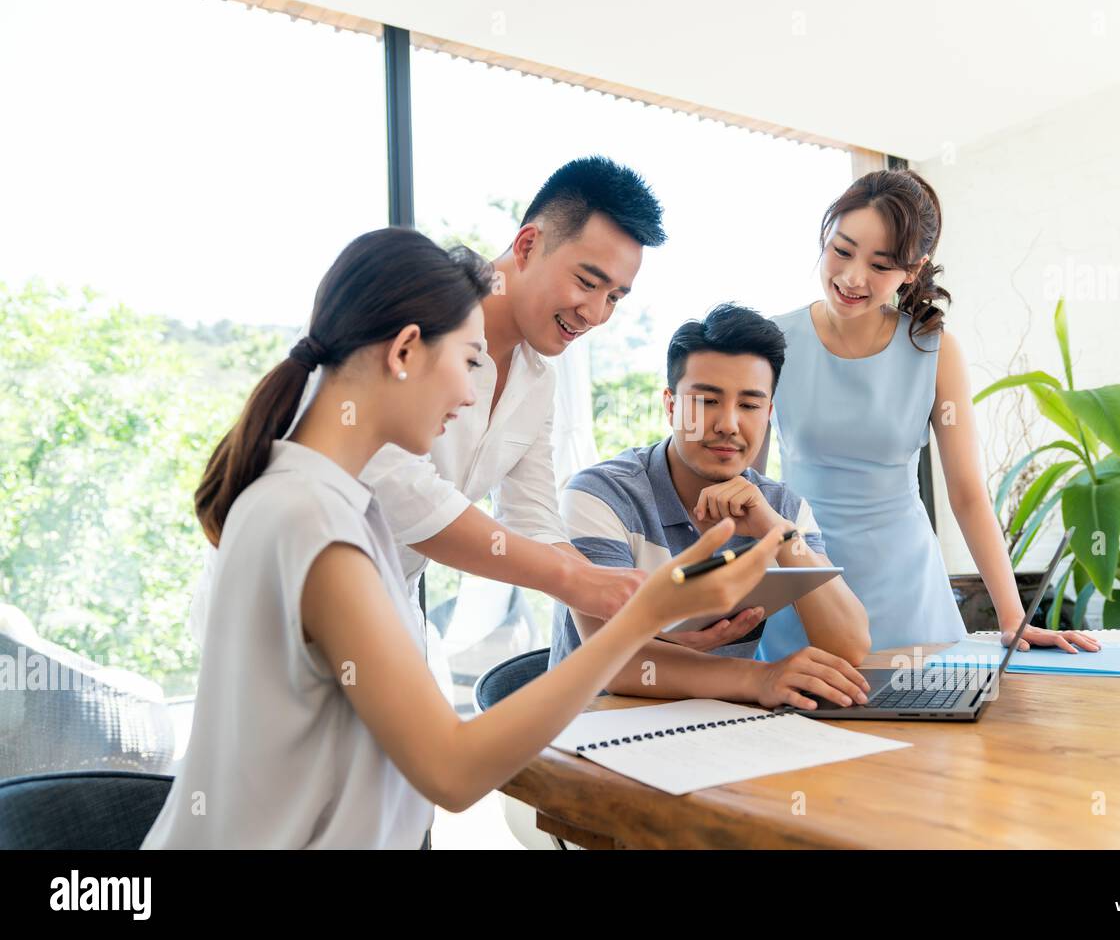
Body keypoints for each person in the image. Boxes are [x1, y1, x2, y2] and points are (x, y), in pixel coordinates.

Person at [144, 228, 785, 848]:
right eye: (469, 361)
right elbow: (452, 770)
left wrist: (633, 603)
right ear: (404, 351)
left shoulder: (319, 503)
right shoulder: (317, 526)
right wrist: (642, 611)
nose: (467, 391)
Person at [188, 156, 667, 688]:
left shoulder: (539, 378)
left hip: (390, 610)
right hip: (296, 610)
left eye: (615, 298)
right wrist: (577, 583)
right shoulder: (416, 309)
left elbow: (531, 517)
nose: (596, 314)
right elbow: (405, 490)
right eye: (588, 282)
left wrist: (620, 599)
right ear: (528, 245)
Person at [758, 169, 1100, 657]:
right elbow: (746, 485)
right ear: (824, 238)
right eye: (842, 250)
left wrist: (1013, 618)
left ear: (912, 271)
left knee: (934, 726)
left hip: (907, 594)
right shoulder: (773, 342)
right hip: (801, 584)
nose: (853, 277)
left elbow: (966, 494)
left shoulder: (933, 350)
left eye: (881, 265)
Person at [549, 303, 871, 711]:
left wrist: (779, 534)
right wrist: (762, 678)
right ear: (670, 406)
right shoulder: (602, 495)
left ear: (769, 414)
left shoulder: (779, 506)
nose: (728, 424)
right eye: (706, 401)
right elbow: (612, 663)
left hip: (717, 730)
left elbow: (849, 643)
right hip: (597, 730)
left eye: (750, 406)